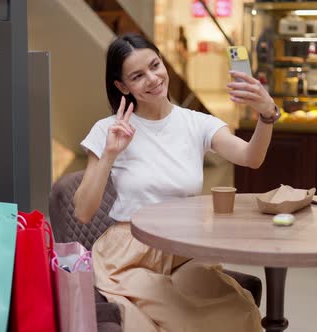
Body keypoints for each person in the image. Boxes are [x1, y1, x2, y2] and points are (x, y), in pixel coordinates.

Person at [74, 33, 278, 332]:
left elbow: (251, 157)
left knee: (239, 312)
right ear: (122, 86)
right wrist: (109, 154)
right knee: (164, 321)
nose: (153, 79)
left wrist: (266, 114)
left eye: (155, 65)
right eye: (138, 76)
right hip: (129, 256)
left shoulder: (197, 123)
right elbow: (82, 211)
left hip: (183, 252)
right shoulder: (109, 130)